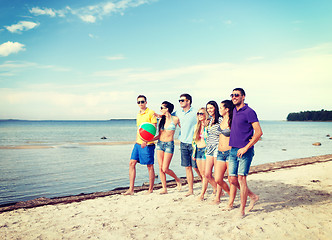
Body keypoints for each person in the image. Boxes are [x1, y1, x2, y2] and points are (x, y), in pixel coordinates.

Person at [228, 88, 262, 217]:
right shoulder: (233, 111)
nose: (234, 97)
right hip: (233, 150)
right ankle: (253, 196)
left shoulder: (249, 112)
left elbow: (258, 133)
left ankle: (241, 210)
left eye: (237, 95)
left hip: (245, 151)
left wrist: (246, 148)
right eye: (232, 95)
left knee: (241, 179)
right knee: (232, 179)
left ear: (243, 97)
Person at [123, 95, 157, 195]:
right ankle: (131, 190)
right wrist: (138, 140)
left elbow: (153, 129)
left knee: (149, 166)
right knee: (131, 163)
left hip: (147, 144)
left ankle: (150, 189)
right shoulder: (138, 114)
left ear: (146, 102)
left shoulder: (151, 113)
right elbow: (140, 129)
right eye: (139, 102)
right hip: (138, 143)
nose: (140, 104)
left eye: (142, 102)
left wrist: (146, 141)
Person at [175, 93, 202, 196]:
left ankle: (206, 182)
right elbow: (168, 116)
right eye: (180, 100)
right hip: (183, 143)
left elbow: (204, 122)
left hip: (194, 143)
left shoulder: (196, 112)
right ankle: (190, 190)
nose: (180, 102)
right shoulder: (178, 112)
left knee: (196, 167)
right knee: (187, 167)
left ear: (188, 101)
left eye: (182, 100)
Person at [153, 101, 182, 194]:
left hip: (169, 144)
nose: (160, 109)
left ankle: (177, 179)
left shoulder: (176, 119)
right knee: (161, 168)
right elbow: (160, 134)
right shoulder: (161, 120)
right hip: (160, 144)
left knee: (165, 168)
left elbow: (184, 129)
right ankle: (164, 188)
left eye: (162, 108)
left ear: (167, 109)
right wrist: (150, 139)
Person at [214, 100, 235, 208]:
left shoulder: (233, 120)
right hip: (220, 153)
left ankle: (230, 203)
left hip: (230, 152)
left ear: (227, 109)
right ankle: (230, 194)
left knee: (231, 179)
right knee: (217, 178)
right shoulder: (221, 120)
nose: (219, 109)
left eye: (221, 107)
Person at [204, 101, 224, 202]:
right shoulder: (209, 120)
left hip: (217, 148)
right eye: (207, 108)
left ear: (215, 108)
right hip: (209, 148)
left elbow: (224, 133)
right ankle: (217, 189)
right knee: (207, 174)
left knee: (217, 175)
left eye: (211, 108)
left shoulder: (220, 119)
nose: (209, 110)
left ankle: (218, 197)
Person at [192, 107, 209, 201]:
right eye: (198, 113)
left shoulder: (208, 125)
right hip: (198, 150)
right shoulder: (196, 126)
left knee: (206, 174)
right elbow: (194, 141)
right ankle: (216, 189)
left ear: (206, 114)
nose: (199, 115)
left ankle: (202, 194)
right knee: (202, 173)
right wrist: (194, 153)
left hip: (206, 151)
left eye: (201, 113)